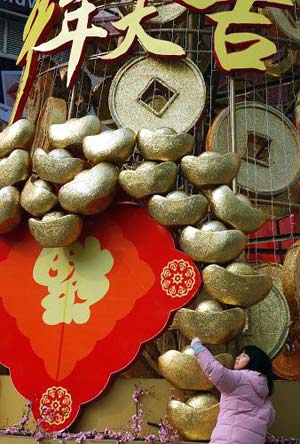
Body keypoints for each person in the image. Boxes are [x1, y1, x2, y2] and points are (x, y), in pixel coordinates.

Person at [191, 337, 275, 444]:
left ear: (254, 361)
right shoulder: (264, 392)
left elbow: (215, 370)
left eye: (243, 355)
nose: (237, 358)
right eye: (239, 355)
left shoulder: (239, 379)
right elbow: (270, 419)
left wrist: (198, 347)